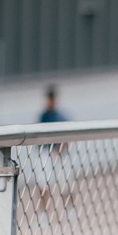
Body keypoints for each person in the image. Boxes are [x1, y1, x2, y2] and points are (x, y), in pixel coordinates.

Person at [34, 86, 73, 218]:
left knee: (65, 183)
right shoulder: (43, 116)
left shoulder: (60, 116)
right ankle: (43, 213)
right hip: (46, 153)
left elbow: (66, 135)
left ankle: (69, 210)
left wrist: (61, 148)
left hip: (59, 154)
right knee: (44, 184)